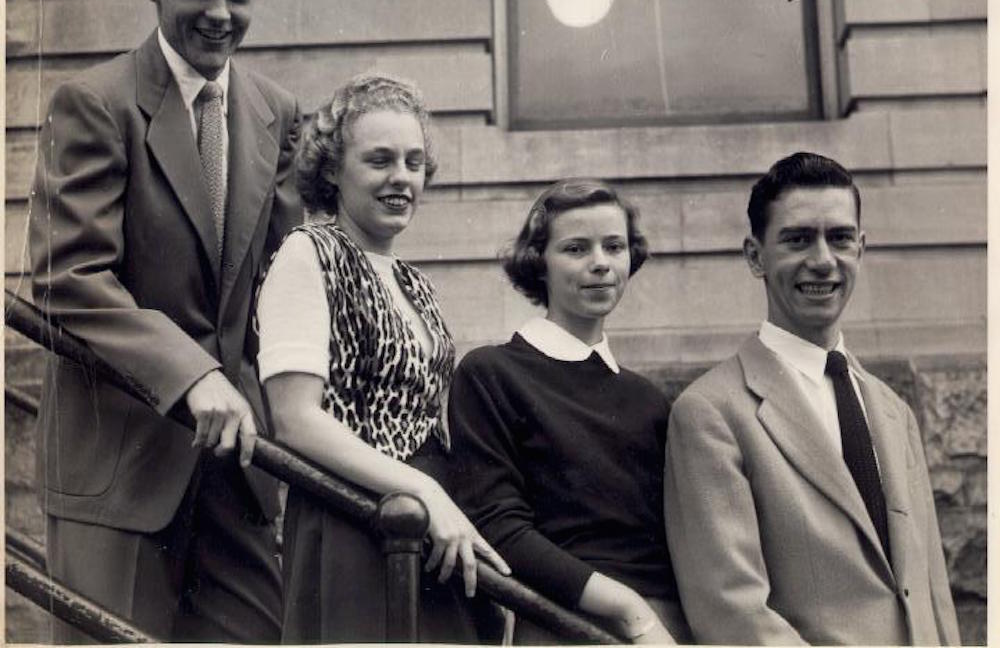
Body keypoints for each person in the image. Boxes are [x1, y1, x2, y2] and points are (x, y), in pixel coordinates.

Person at [27, 0, 301, 641]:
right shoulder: (92, 102)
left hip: (240, 469)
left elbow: (283, 289)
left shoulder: (277, 113)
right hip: (120, 465)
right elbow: (63, 276)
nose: (220, 12)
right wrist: (192, 375)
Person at [663, 152, 960, 645]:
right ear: (756, 256)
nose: (823, 260)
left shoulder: (893, 410)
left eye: (840, 238)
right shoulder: (712, 413)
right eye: (798, 239)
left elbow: (932, 595)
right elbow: (732, 615)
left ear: (861, 248)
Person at [255, 73, 509, 642]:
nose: (402, 178)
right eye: (380, 160)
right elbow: (294, 419)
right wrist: (424, 492)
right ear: (332, 172)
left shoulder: (415, 283)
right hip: (350, 517)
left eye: (414, 162)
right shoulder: (309, 253)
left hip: (430, 525)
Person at [448, 179, 690, 644]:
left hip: (670, 629)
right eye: (576, 248)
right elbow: (499, 528)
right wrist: (630, 612)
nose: (600, 263)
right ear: (539, 262)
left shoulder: (649, 400)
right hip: (564, 624)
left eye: (614, 247)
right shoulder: (491, 373)